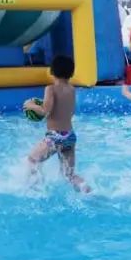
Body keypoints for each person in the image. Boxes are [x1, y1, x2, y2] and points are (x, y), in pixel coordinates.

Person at [24, 55, 90, 193]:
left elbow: (45, 111)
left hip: (55, 137)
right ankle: (85, 188)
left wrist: (30, 105)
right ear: (71, 72)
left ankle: (36, 189)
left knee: (32, 160)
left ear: (52, 71)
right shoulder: (71, 89)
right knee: (69, 175)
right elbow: (70, 112)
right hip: (70, 136)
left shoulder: (51, 89)